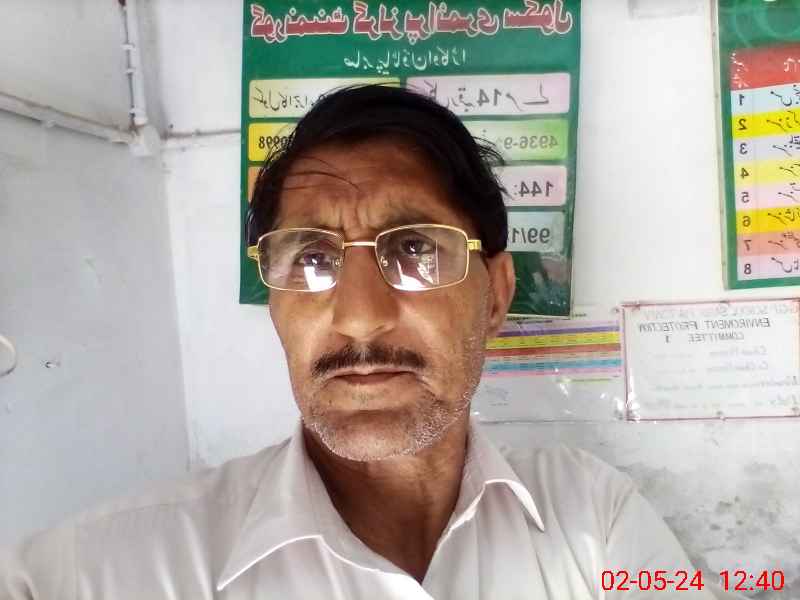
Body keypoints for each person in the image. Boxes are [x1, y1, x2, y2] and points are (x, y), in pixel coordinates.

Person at [1, 85, 732, 599]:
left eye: (416, 249)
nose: (358, 317)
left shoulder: (591, 515)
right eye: (311, 258)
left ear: (496, 294)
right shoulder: (103, 571)